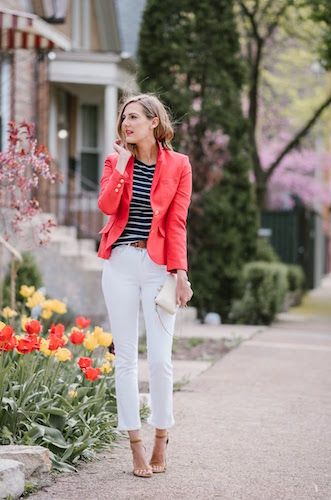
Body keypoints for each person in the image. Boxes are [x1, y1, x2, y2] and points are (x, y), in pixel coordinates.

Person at [98, 93, 192, 478]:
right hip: (119, 264)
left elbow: (177, 223)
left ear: (154, 121)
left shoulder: (179, 165)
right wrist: (121, 165)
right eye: (123, 118)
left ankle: (160, 437)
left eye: (133, 117)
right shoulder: (114, 161)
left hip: (158, 269)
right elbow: (106, 206)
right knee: (124, 359)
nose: (126, 124)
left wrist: (180, 273)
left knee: (159, 360)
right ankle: (134, 444)